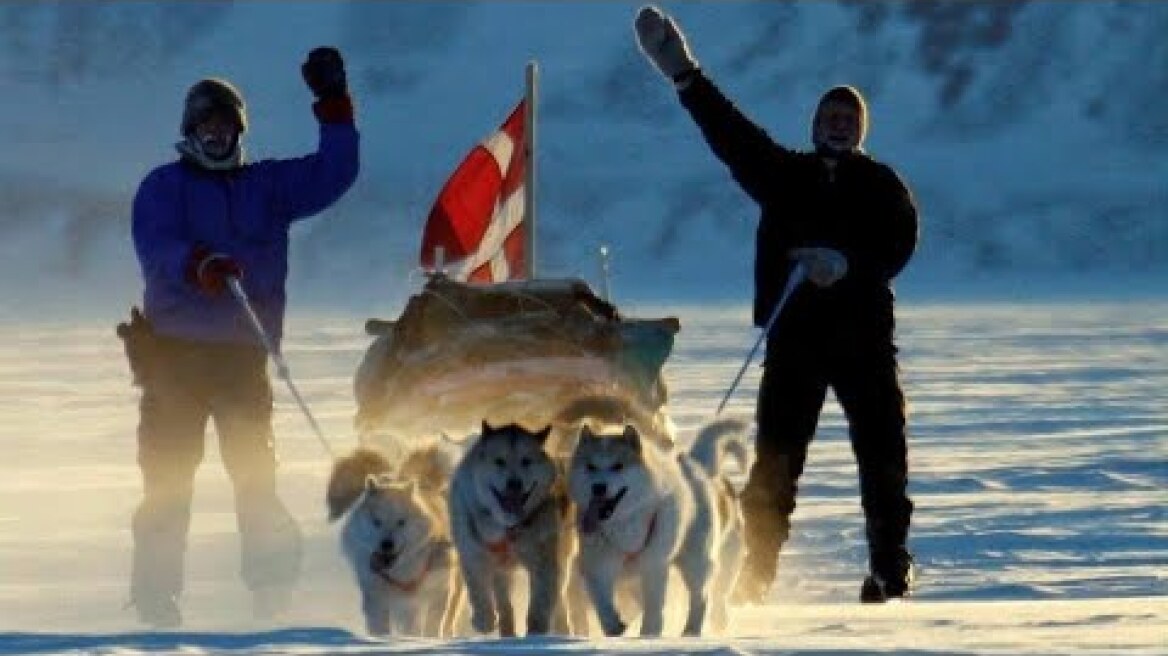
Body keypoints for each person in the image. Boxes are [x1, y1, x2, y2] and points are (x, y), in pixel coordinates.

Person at [633, 6, 919, 604]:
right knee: (776, 467)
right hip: (797, 346)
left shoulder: (883, 186)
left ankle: (890, 570)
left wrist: (846, 267)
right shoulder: (784, 174)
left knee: (884, 460)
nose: (838, 125)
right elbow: (729, 133)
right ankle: (754, 575)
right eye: (830, 116)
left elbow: (898, 244)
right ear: (815, 123)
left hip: (864, 345)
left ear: (861, 129)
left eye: (849, 119)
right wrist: (682, 72)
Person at [119, 47, 360, 627]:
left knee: (256, 480)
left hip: (242, 360)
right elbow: (156, 247)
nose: (217, 135)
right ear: (190, 131)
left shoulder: (267, 186)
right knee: (168, 485)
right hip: (173, 360)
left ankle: (271, 595)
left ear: (238, 132)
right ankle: (156, 603)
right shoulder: (163, 186)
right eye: (206, 125)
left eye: (226, 126)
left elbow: (335, 174)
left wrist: (333, 104)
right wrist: (196, 264)